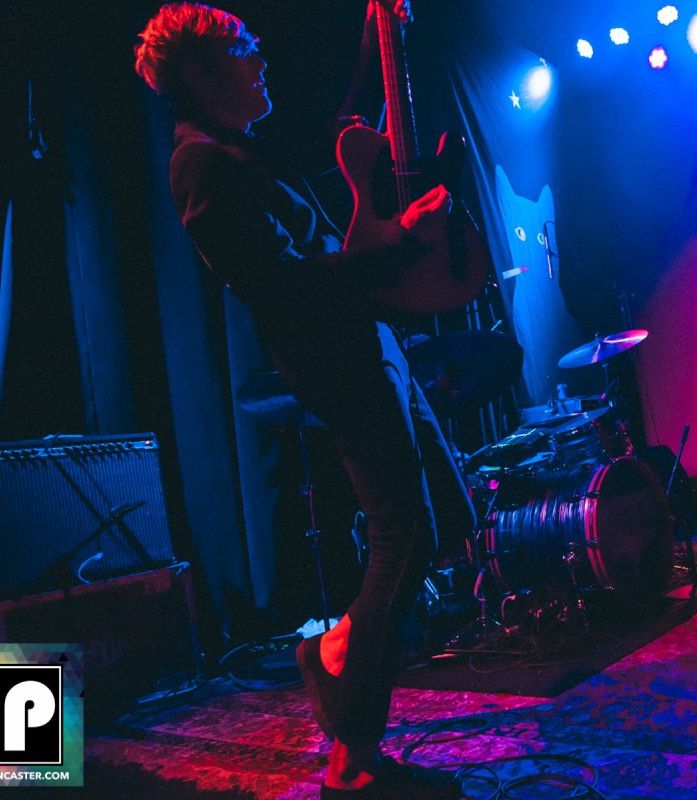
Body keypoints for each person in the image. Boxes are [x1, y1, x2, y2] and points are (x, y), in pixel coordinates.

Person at [135, 4, 475, 798]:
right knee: (401, 538)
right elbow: (283, 287)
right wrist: (400, 241)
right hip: (336, 362)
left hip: (366, 343)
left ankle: (336, 650)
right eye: (244, 51)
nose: (261, 64)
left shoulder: (236, 152)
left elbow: (342, 120)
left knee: (435, 525)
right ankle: (353, 762)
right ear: (200, 74)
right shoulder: (200, 168)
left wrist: (376, 31)